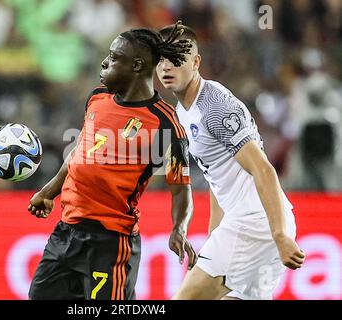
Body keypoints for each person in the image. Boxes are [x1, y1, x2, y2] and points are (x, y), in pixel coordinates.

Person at [27, 22, 196, 300]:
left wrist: (179, 229)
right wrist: (49, 192)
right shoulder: (97, 99)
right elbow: (78, 153)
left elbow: (181, 187)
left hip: (110, 242)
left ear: (137, 66)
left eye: (114, 58)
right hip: (66, 232)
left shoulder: (165, 125)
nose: (104, 63)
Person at [156, 23, 305, 300]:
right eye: (162, 59)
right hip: (251, 223)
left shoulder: (215, 106)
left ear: (196, 62)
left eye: (176, 58)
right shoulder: (183, 110)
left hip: (257, 223)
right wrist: (215, 236)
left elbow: (263, 169)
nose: (167, 67)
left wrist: (280, 235)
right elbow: (217, 176)